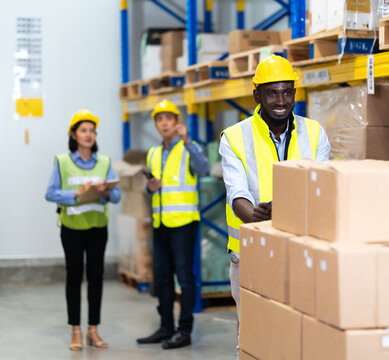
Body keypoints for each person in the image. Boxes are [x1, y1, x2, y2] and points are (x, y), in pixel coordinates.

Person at [219, 54, 330, 323]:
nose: (281, 101)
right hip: (251, 253)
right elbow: (237, 193)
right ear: (256, 95)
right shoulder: (234, 137)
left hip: (302, 251)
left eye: (287, 92)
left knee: (298, 334)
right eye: (272, 93)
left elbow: (324, 187)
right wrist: (256, 217)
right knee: (254, 335)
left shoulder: (315, 133)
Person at [45, 109, 121, 351]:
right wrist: (76, 193)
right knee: (74, 278)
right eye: (83, 130)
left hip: (98, 228)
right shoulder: (62, 162)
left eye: (92, 130)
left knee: (97, 278)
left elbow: (116, 196)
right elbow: (50, 193)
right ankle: (75, 330)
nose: (89, 135)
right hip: (72, 229)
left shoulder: (105, 163)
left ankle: (93, 331)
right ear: (74, 135)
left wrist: (104, 191)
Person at [137, 100, 210, 350]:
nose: (164, 123)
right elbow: (149, 187)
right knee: (163, 278)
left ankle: (184, 330)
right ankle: (166, 327)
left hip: (184, 224)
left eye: (169, 118)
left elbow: (204, 168)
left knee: (184, 278)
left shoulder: (189, 148)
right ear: (156, 124)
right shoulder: (153, 153)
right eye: (160, 119)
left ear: (177, 122)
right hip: (160, 223)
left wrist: (188, 140)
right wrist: (149, 187)